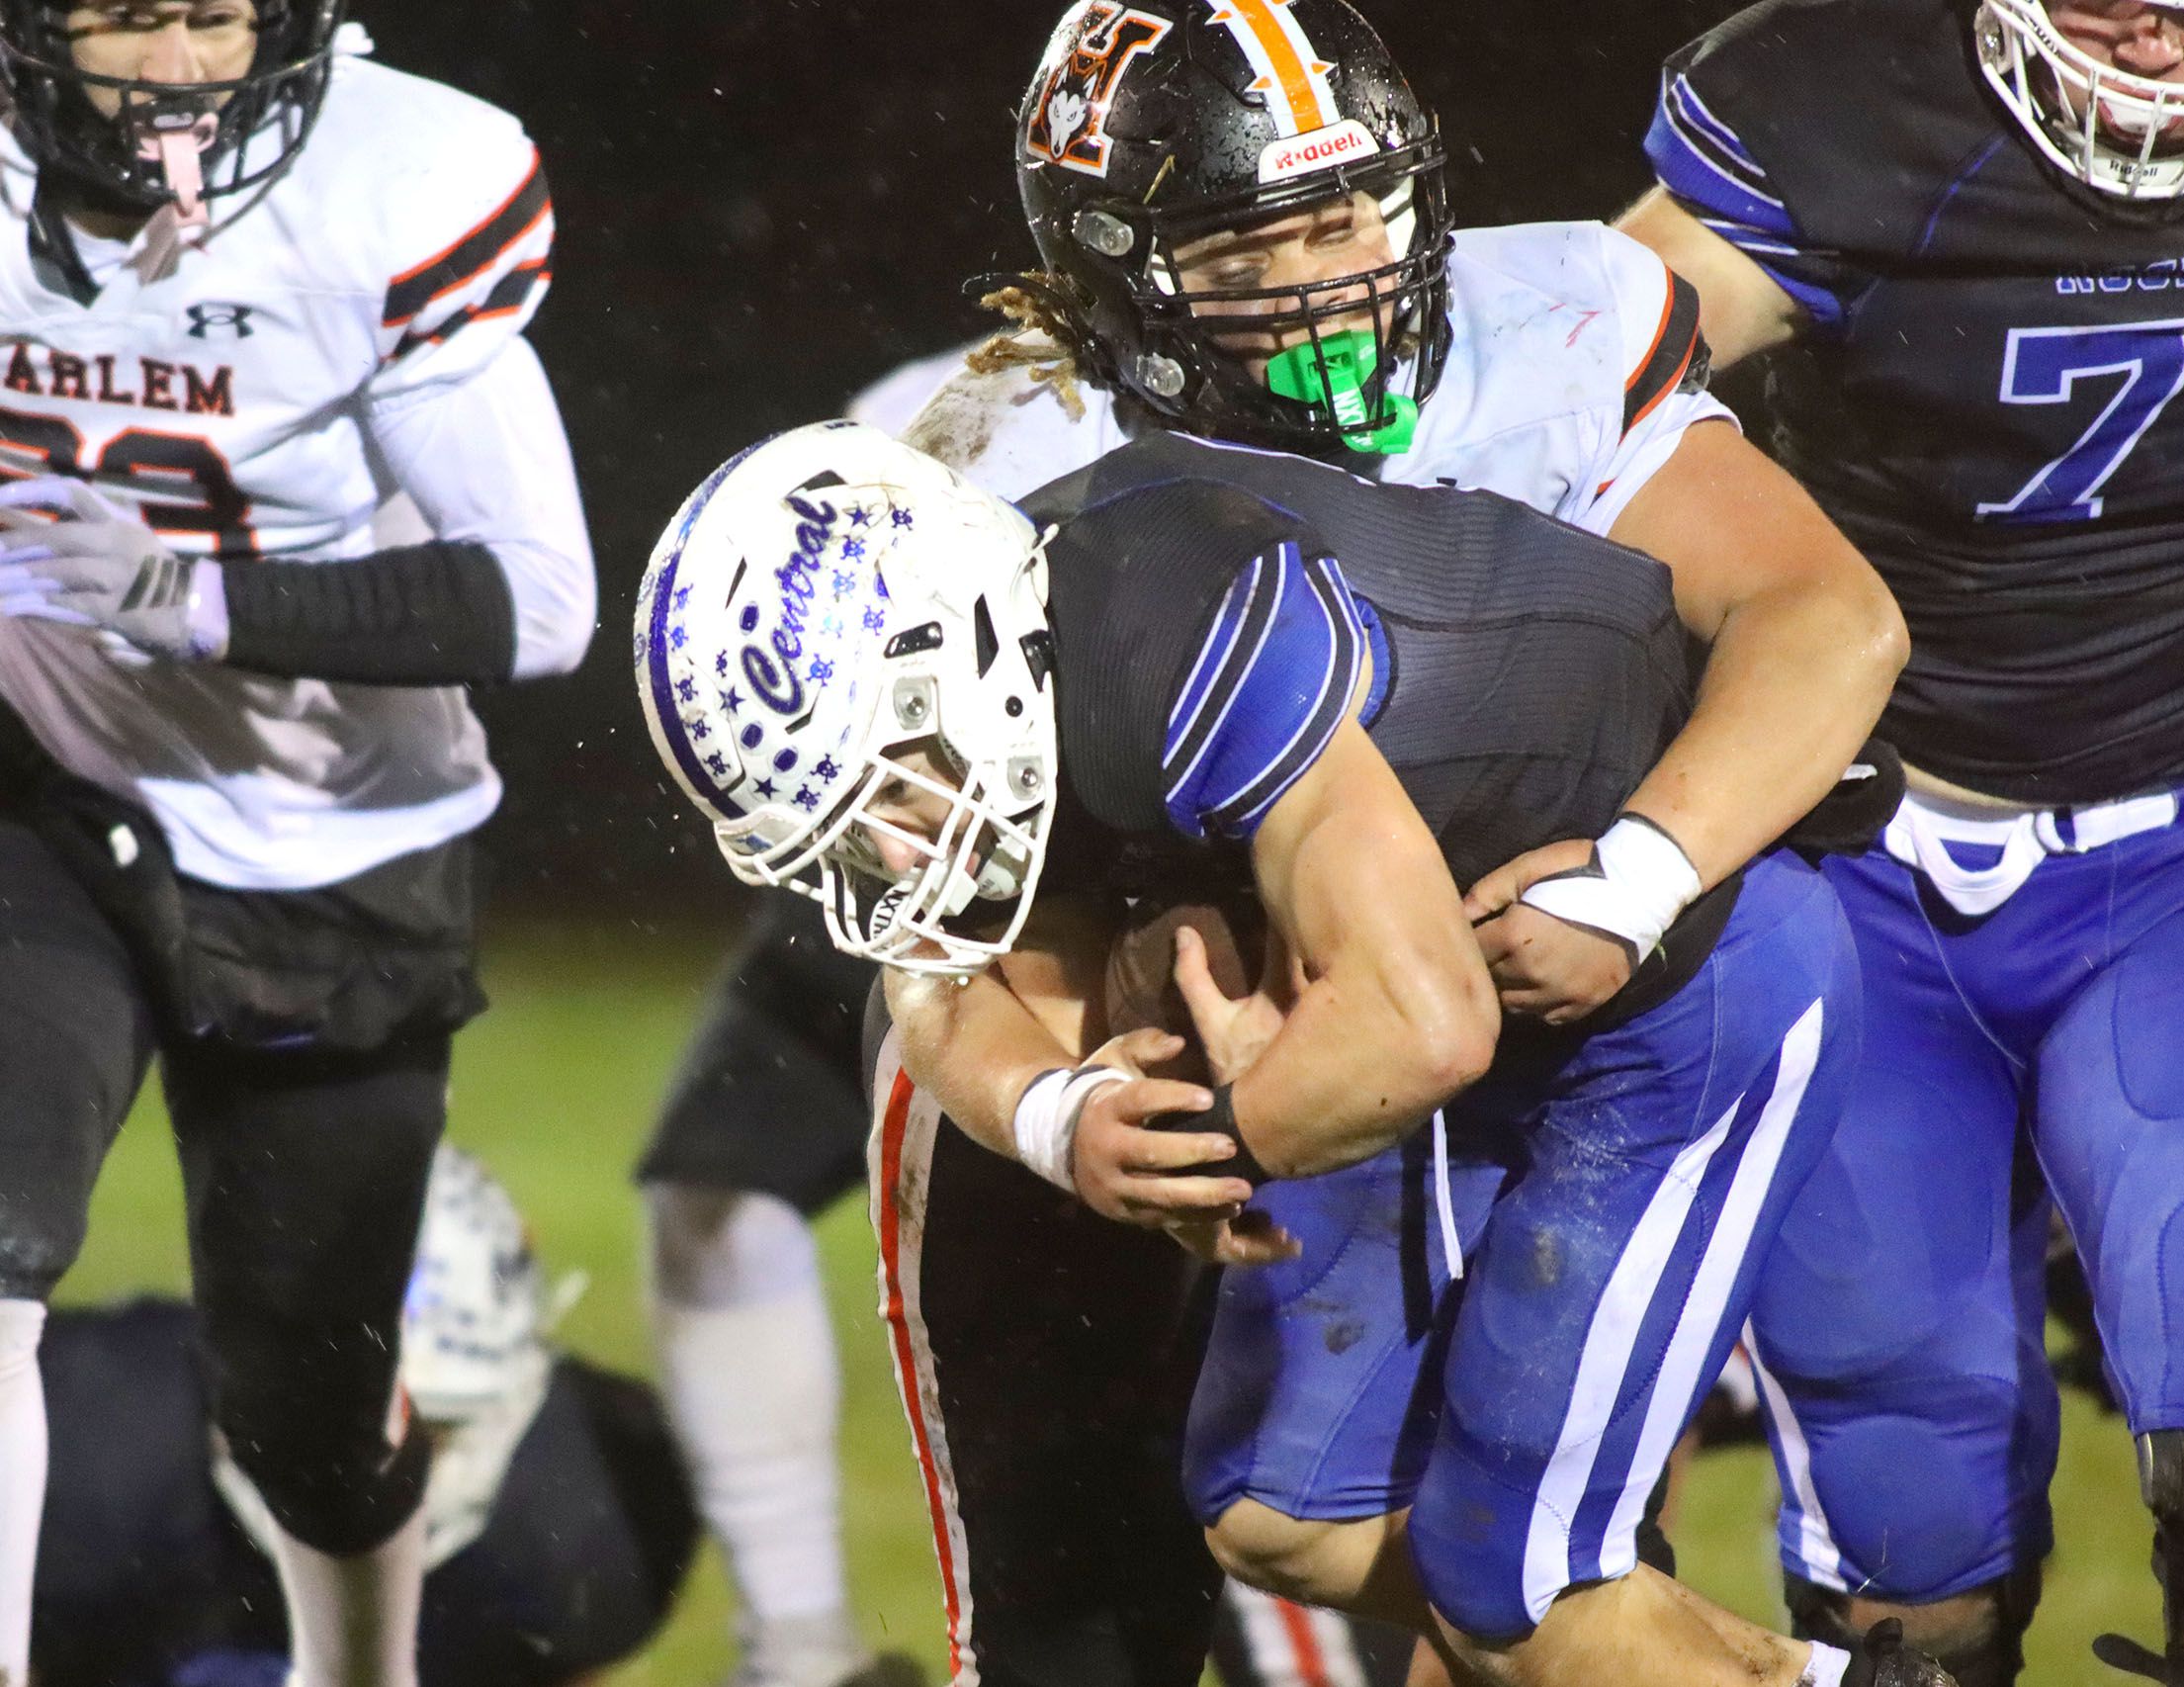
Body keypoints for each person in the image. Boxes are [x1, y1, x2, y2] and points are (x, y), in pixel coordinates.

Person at [635, 2, 1909, 1681]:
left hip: (1530, 986)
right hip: (1174, 999)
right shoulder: (996, 454)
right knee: (1176, 1548)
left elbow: (1819, 617)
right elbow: (942, 927)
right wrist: (1064, 1106)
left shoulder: (1543, 328)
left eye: (1346, 214)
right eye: (1247, 247)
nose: (1325, 282)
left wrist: (1645, 866)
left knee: (1516, 1553)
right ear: (1108, 269)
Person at [1620, 1, 2184, 1681]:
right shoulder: (1841, 93)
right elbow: (1573, 392)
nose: (2156, 53)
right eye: (2116, 2)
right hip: (1843, 863)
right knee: (1911, 1539)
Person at [0, 2, 593, 1682]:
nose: (183, 67)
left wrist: (196, 600)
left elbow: (539, 601)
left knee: (305, 1415)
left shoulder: (391, 183)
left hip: (333, 846)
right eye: (133, 17)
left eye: (216, 16)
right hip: (52, 792)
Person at [29, 1146, 700, 1687]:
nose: (367, 1472)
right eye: (325, 1426)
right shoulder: (93, 1440)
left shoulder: (591, 1512)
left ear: (519, 1398)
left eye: (431, 1434)